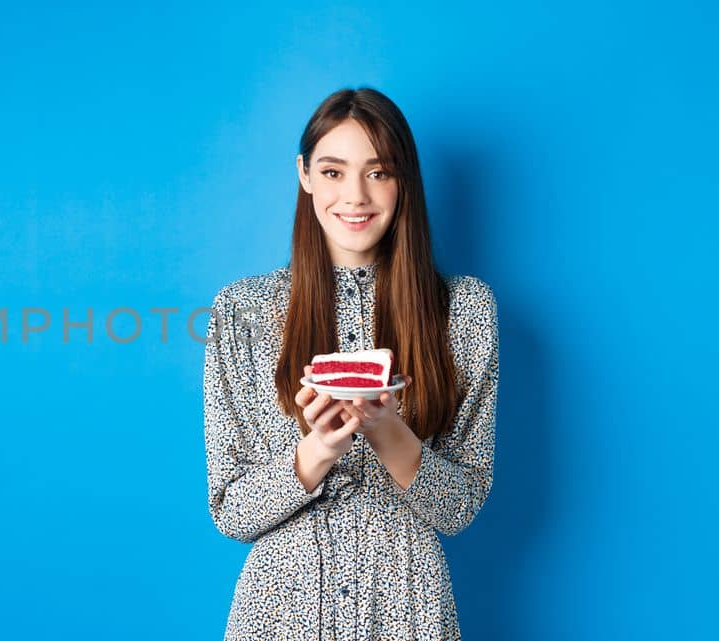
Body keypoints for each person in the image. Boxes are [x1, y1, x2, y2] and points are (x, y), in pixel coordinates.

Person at [203, 87, 499, 641]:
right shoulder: (241, 311)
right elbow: (231, 512)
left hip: (409, 608)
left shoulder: (464, 310)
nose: (356, 196)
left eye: (379, 172)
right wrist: (319, 449)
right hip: (279, 613)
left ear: (403, 180)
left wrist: (387, 429)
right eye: (334, 172)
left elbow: (459, 508)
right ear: (305, 174)